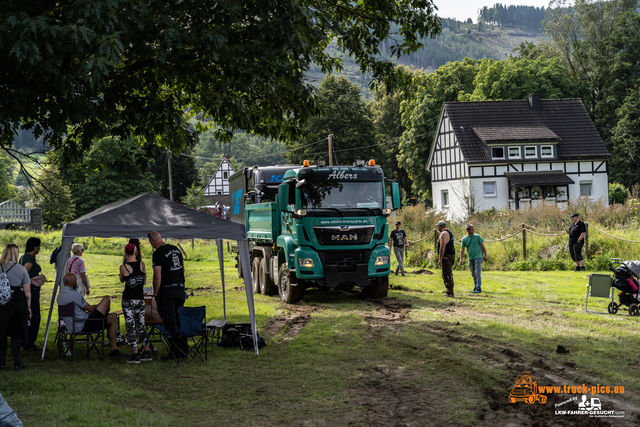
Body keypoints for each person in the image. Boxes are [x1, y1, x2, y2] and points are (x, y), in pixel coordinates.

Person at [57, 273, 129, 359]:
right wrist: (98, 306)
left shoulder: (60, 296)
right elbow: (90, 308)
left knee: (113, 317)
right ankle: (113, 350)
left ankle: (114, 351)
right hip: (84, 325)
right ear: (74, 283)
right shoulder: (73, 295)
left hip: (72, 326)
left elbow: (77, 311)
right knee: (106, 299)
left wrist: (95, 309)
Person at [148, 231, 187, 360]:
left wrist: (155, 292)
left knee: (170, 322)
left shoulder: (157, 253)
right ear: (162, 238)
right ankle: (184, 349)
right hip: (180, 289)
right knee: (179, 319)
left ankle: (175, 352)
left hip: (167, 291)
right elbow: (182, 269)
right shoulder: (176, 249)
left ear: (152, 241)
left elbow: (157, 275)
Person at [119, 243, 152, 364]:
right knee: (141, 324)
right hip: (140, 299)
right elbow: (143, 282)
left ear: (126, 252)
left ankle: (135, 354)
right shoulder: (142, 265)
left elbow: (122, 280)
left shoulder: (124, 266)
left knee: (130, 325)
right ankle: (147, 352)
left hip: (128, 299)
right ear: (136, 252)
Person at [0, 244, 31, 371]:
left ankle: (1, 363)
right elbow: (27, 291)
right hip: (17, 304)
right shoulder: (21, 269)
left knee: (1, 335)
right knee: (15, 335)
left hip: (2, 304)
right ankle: (17, 363)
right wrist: (29, 307)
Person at [19, 237, 47, 351]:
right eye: (39, 246)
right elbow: (23, 273)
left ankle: (25, 341)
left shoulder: (22, 257)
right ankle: (29, 343)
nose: (40, 248)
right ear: (35, 247)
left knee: (27, 316)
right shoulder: (30, 259)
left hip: (28, 290)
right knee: (33, 316)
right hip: (32, 291)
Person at [459, 224, 488, 294]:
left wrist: (485, 255)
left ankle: (478, 288)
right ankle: (475, 287)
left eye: (473, 229)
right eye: (472, 229)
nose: (473, 230)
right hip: (470, 258)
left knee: (477, 273)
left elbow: (483, 246)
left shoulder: (477, 237)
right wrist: (461, 259)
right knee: (473, 274)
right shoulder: (464, 239)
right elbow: (462, 249)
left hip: (478, 257)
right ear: (467, 230)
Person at [437, 220, 456, 298]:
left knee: (447, 274)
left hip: (446, 256)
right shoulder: (449, 232)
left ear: (439, 226)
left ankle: (450, 292)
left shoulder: (444, 234)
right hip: (451, 255)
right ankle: (448, 290)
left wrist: (440, 258)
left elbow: (443, 246)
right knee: (447, 273)